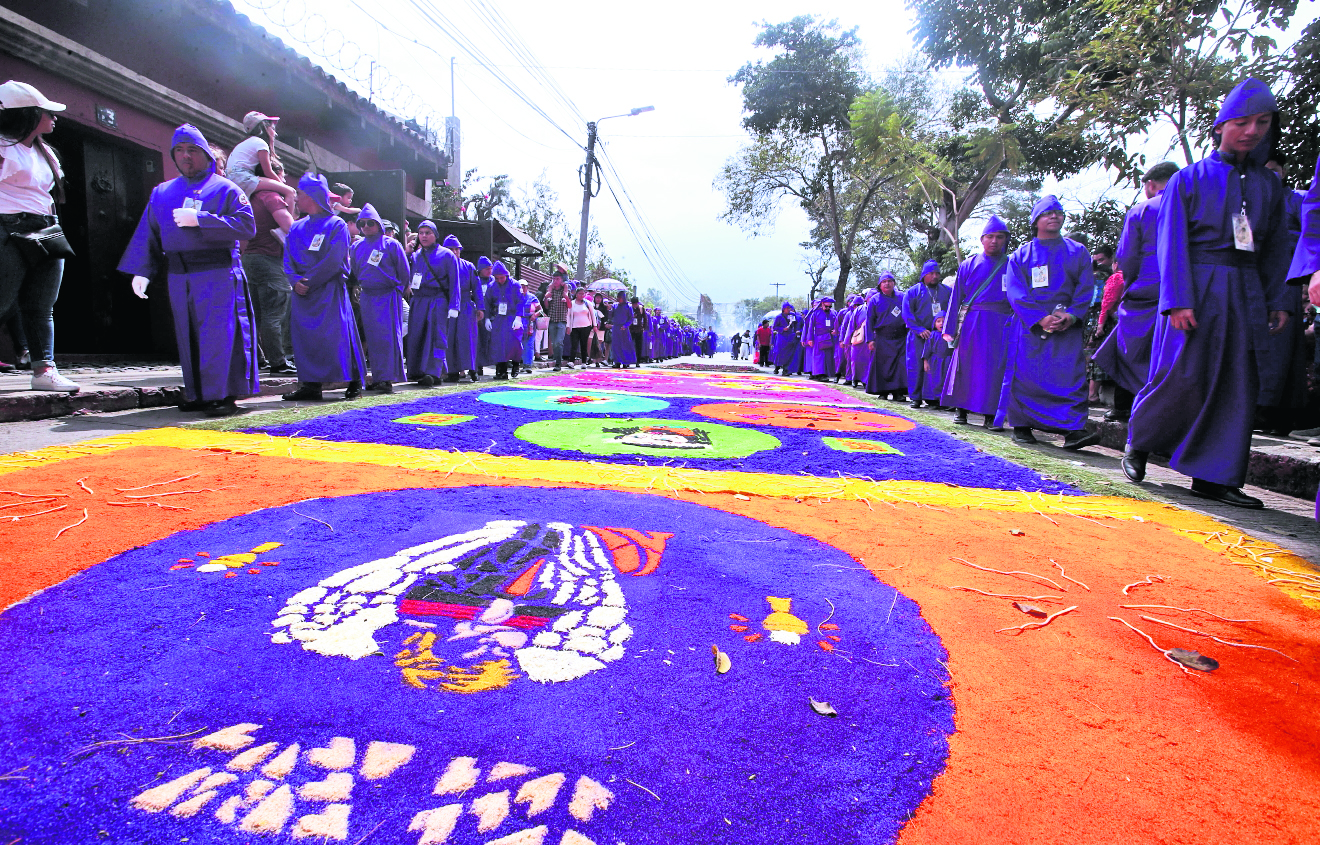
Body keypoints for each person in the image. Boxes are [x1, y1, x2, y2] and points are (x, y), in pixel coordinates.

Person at [1124, 79, 1292, 507]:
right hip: (1196, 288)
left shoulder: (1269, 186)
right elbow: (1171, 243)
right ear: (1220, 126)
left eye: (1262, 122)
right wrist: (1177, 299)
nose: (1252, 131)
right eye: (1242, 122)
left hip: (1247, 290)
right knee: (1180, 374)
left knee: (1238, 382)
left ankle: (1214, 476)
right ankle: (1140, 442)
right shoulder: (1188, 179)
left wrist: (1278, 299)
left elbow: (1276, 248)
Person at [122, 123, 258, 416]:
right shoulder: (161, 192)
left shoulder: (225, 188)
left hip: (217, 272)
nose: (186, 156)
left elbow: (247, 226)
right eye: (180, 150)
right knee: (188, 336)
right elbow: (149, 233)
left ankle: (223, 394)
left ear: (207, 154)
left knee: (218, 336)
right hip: (179, 275)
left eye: (193, 150)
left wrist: (202, 219)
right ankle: (199, 393)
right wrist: (142, 270)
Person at [1001, 196, 1101, 449]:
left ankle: (1073, 430)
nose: (1054, 216)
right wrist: (1040, 317)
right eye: (1047, 213)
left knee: (1069, 377)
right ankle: (1022, 426)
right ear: (1036, 220)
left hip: (1066, 328)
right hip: (1031, 328)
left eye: (1058, 212)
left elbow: (1085, 288)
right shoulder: (1021, 255)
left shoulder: (1078, 252)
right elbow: (1016, 292)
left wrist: (1072, 314)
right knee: (1026, 376)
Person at [0, 80, 79, 393]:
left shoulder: (46, 152)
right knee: (3, 300)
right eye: (47, 111)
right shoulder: (3, 147)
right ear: (28, 114)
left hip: (46, 229)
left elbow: (47, 195)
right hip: (7, 227)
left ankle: (44, 371)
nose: (54, 117)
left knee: (42, 305)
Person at [1092, 162, 1179, 424]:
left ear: (1150, 185)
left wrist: (1131, 284)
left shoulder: (1143, 210)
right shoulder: (1194, 207)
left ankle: (1124, 407)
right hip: (1183, 291)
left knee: (1129, 351)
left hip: (1146, 291)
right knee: (1172, 354)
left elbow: (1127, 258)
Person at [278, 173, 365, 401]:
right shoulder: (296, 227)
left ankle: (354, 380)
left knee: (338, 335)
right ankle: (310, 384)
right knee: (305, 339)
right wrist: (294, 280)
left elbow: (335, 259)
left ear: (312, 196)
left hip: (328, 291)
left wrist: (308, 281)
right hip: (302, 294)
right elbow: (287, 258)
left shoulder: (336, 225)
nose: (296, 198)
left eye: (300, 193)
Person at [941, 216, 1013, 426]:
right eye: (990, 236)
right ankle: (961, 409)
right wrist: (950, 328)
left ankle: (991, 414)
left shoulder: (1011, 265)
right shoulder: (968, 264)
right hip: (972, 323)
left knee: (995, 369)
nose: (994, 241)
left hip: (1000, 325)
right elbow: (956, 298)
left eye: (999, 237)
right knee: (965, 365)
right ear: (982, 239)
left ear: (1005, 240)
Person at [240, 156, 295, 374]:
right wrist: (290, 198)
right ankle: (278, 362)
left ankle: (258, 359)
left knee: (256, 315)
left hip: (249, 258)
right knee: (274, 314)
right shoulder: (271, 197)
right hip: (269, 259)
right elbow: (289, 228)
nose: (284, 180)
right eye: (282, 176)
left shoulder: (248, 198)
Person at [349, 203, 408, 393]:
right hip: (368, 296)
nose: (366, 227)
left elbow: (404, 272)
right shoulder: (356, 246)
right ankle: (377, 376)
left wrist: (396, 291)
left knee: (388, 337)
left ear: (378, 224)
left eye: (370, 223)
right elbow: (355, 270)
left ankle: (386, 378)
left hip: (388, 296)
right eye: (362, 223)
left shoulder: (391, 244)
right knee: (372, 338)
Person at [407, 220, 458, 386]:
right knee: (417, 335)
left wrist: (454, 305)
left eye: (427, 233)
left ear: (435, 235)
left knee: (436, 336)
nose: (424, 236)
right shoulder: (415, 256)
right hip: (418, 301)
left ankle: (433, 372)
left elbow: (454, 282)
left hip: (438, 300)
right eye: (421, 233)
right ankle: (417, 371)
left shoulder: (447, 255)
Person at [902, 260, 951, 408]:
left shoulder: (947, 291)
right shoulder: (913, 292)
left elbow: (952, 311)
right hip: (918, 335)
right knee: (916, 366)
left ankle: (936, 398)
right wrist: (919, 329)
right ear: (924, 275)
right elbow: (907, 314)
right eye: (931, 273)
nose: (935, 276)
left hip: (939, 337)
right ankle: (915, 397)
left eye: (937, 273)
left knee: (937, 367)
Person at [225, 112, 295, 202]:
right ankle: (288, 211)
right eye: (272, 128)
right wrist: (282, 185)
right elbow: (268, 171)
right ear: (264, 127)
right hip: (242, 177)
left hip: (231, 178)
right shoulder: (261, 143)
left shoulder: (243, 143)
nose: (275, 133)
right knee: (290, 192)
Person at [442, 234, 480, 382]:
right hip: (447, 305)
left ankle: (472, 369)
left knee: (468, 338)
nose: (454, 252)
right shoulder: (441, 267)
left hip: (465, 305)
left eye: (456, 249)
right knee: (449, 339)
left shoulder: (469, 267)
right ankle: (452, 372)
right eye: (450, 249)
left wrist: (480, 308)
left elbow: (476, 289)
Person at [865, 273, 907, 400]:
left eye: (889, 281)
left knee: (899, 366)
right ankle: (882, 392)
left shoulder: (902, 297)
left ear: (894, 283)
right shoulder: (875, 300)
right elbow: (869, 321)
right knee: (882, 365)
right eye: (884, 281)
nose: (887, 283)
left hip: (900, 338)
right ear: (880, 285)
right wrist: (870, 339)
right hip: (882, 338)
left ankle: (898, 393)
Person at [483, 260, 525, 380]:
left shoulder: (515, 285)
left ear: (506, 275)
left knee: (514, 342)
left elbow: (520, 302)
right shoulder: (492, 286)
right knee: (498, 344)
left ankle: (516, 364)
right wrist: (487, 318)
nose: (500, 280)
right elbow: (487, 303)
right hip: (499, 318)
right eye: (497, 278)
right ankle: (501, 370)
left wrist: (518, 317)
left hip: (512, 317)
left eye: (502, 278)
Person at [802, 296, 838, 380]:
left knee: (828, 357)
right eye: (826, 306)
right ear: (822, 304)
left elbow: (837, 324)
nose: (828, 308)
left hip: (830, 338)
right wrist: (809, 339)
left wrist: (836, 330)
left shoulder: (833, 313)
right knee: (819, 357)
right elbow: (810, 327)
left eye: (830, 306)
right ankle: (819, 374)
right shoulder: (815, 313)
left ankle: (827, 373)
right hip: (818, 338)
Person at [543, 266, 571, 370]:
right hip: (552, 320)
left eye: (557, 279)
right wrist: (546, 298)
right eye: (554, 279)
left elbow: (569, 306)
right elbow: (546, 306)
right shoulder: (550, 291)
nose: (555, 281)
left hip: (562, 320)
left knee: (559, 342)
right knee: (554, 343)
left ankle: (558, 363)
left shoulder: (565, 290)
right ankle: (556, 360)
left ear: (561, 279)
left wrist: (566, 297)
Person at [567, 286, 596, 365]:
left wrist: (595, 325)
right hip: (574, 327)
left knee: (584, 344)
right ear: (576, 294)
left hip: (586, 327)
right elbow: (568, 315)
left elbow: (593, 315)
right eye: (580, 293)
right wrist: (568, 326)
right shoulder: (572, 303)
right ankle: (571, 361)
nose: (582, 295)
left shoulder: (588, 303)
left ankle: (583, 362)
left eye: (583, 294)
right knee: (574, 344)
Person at [771, 302, 802, 375]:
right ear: (783, 309)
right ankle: (777, 367)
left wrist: (796, 331)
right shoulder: (779, 317)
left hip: (790, 337)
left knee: (790, 355)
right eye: (787, 308)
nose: (789, 310)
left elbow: (795, 324)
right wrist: (782, 329)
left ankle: (786, 370)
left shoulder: (792, 316)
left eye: (789, 308)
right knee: (780, 353)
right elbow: (774, 327)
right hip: (782, 338)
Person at [610, 290, 637, 368]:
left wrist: (625, 325)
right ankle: (617, 362)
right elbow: (610, 316)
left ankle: (626, 362)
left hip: (624, 329)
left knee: (625, 345)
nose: (619, 299)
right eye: (618, 297)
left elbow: (631, 318)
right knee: (616, 345)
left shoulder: (628, 306)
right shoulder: (614, 306)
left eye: (620, 297)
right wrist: (609, 309)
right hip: (616, 328)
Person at [520, 279, 540, 372]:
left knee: (529, 343)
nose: (522, 288)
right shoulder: (515, 297)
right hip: (519, 322)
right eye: (521, 286)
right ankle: (522, 363)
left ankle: (528, 364)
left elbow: (540, 310)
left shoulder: (532, 297)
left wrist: (535, 315)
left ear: (527, 287)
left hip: (530, 323)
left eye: (524, 286)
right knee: (520, 343)